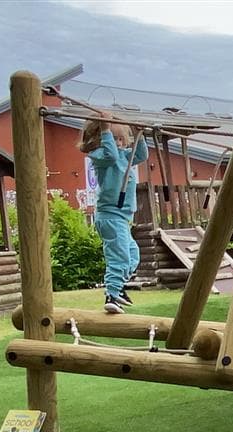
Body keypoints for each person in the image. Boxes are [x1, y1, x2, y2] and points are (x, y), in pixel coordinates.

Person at [78, 114, 148, 314]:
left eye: (121, 140)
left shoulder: (125, 156)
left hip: (122, 218)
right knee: (120, 257)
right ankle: (112, 293)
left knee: (132, 255)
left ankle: (119, 287)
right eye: (113, 139)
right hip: (110, 215)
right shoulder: (101, 157)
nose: (118, 144)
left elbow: (141, 155)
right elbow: (111, 154)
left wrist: (138, 134)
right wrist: (106, 129)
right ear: (101, 140)